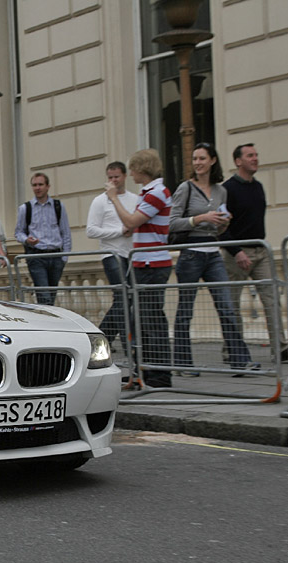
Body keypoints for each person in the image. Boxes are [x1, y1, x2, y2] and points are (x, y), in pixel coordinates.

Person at [169, 142, 259, 376]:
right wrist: (199, 218)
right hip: (191, 253)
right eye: (195, 159)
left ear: (212, 161)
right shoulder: (185, 188)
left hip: (214, 252)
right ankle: (182, 364)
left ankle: (241, 361)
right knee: (186, 310)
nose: (198, 163)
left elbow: (220, 228)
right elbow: (172, 223)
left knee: (227, 308)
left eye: (202, 158)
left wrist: (223, 222)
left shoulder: (221, 191)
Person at [106, 149, 173, 389]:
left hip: (152, 263)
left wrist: (114, 199)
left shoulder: (157, 193)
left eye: (132, 168)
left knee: (151, 319)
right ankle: (146, 371)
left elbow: (132, 222)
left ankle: (160, 374)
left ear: (142, 169)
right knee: (143, 319)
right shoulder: (149, 193)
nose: (130, 173)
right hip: (144, 262)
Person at [221, 143, 288, 362]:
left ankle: (280, 348)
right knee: (232, 304)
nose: (255, 159)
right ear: (238, 161)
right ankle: (233, 349)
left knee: (272, 299)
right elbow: (222, 228)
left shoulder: (258, 187)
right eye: (250, 155)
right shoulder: (227, 189)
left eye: (256, 155)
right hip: (236, 254)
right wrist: (237, 251)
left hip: (261, 252)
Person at [86, 161, 137, 352]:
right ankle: (129, 345)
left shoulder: (134, 199)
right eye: (110, 177)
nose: (114, 181)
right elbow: (91, 230)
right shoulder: (100, 201)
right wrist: (119, 231)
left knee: (128, 298)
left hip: (131, 254)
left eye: (117, 177)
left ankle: (102, 337)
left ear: (125, 176)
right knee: (123, 296)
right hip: (111, 253)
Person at [14, 172, 71, 305]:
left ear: (47, 186)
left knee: (51, 294)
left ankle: (48, 321)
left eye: (40, 184)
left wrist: (64, 257)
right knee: (44, 295)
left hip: (56, 255)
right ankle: (48, 322)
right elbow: (18, 233)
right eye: (34, 185)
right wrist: (27, 240)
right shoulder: (25, 208)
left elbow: (65, 232)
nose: (37, 188)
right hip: (36, 256)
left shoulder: (58, 206)